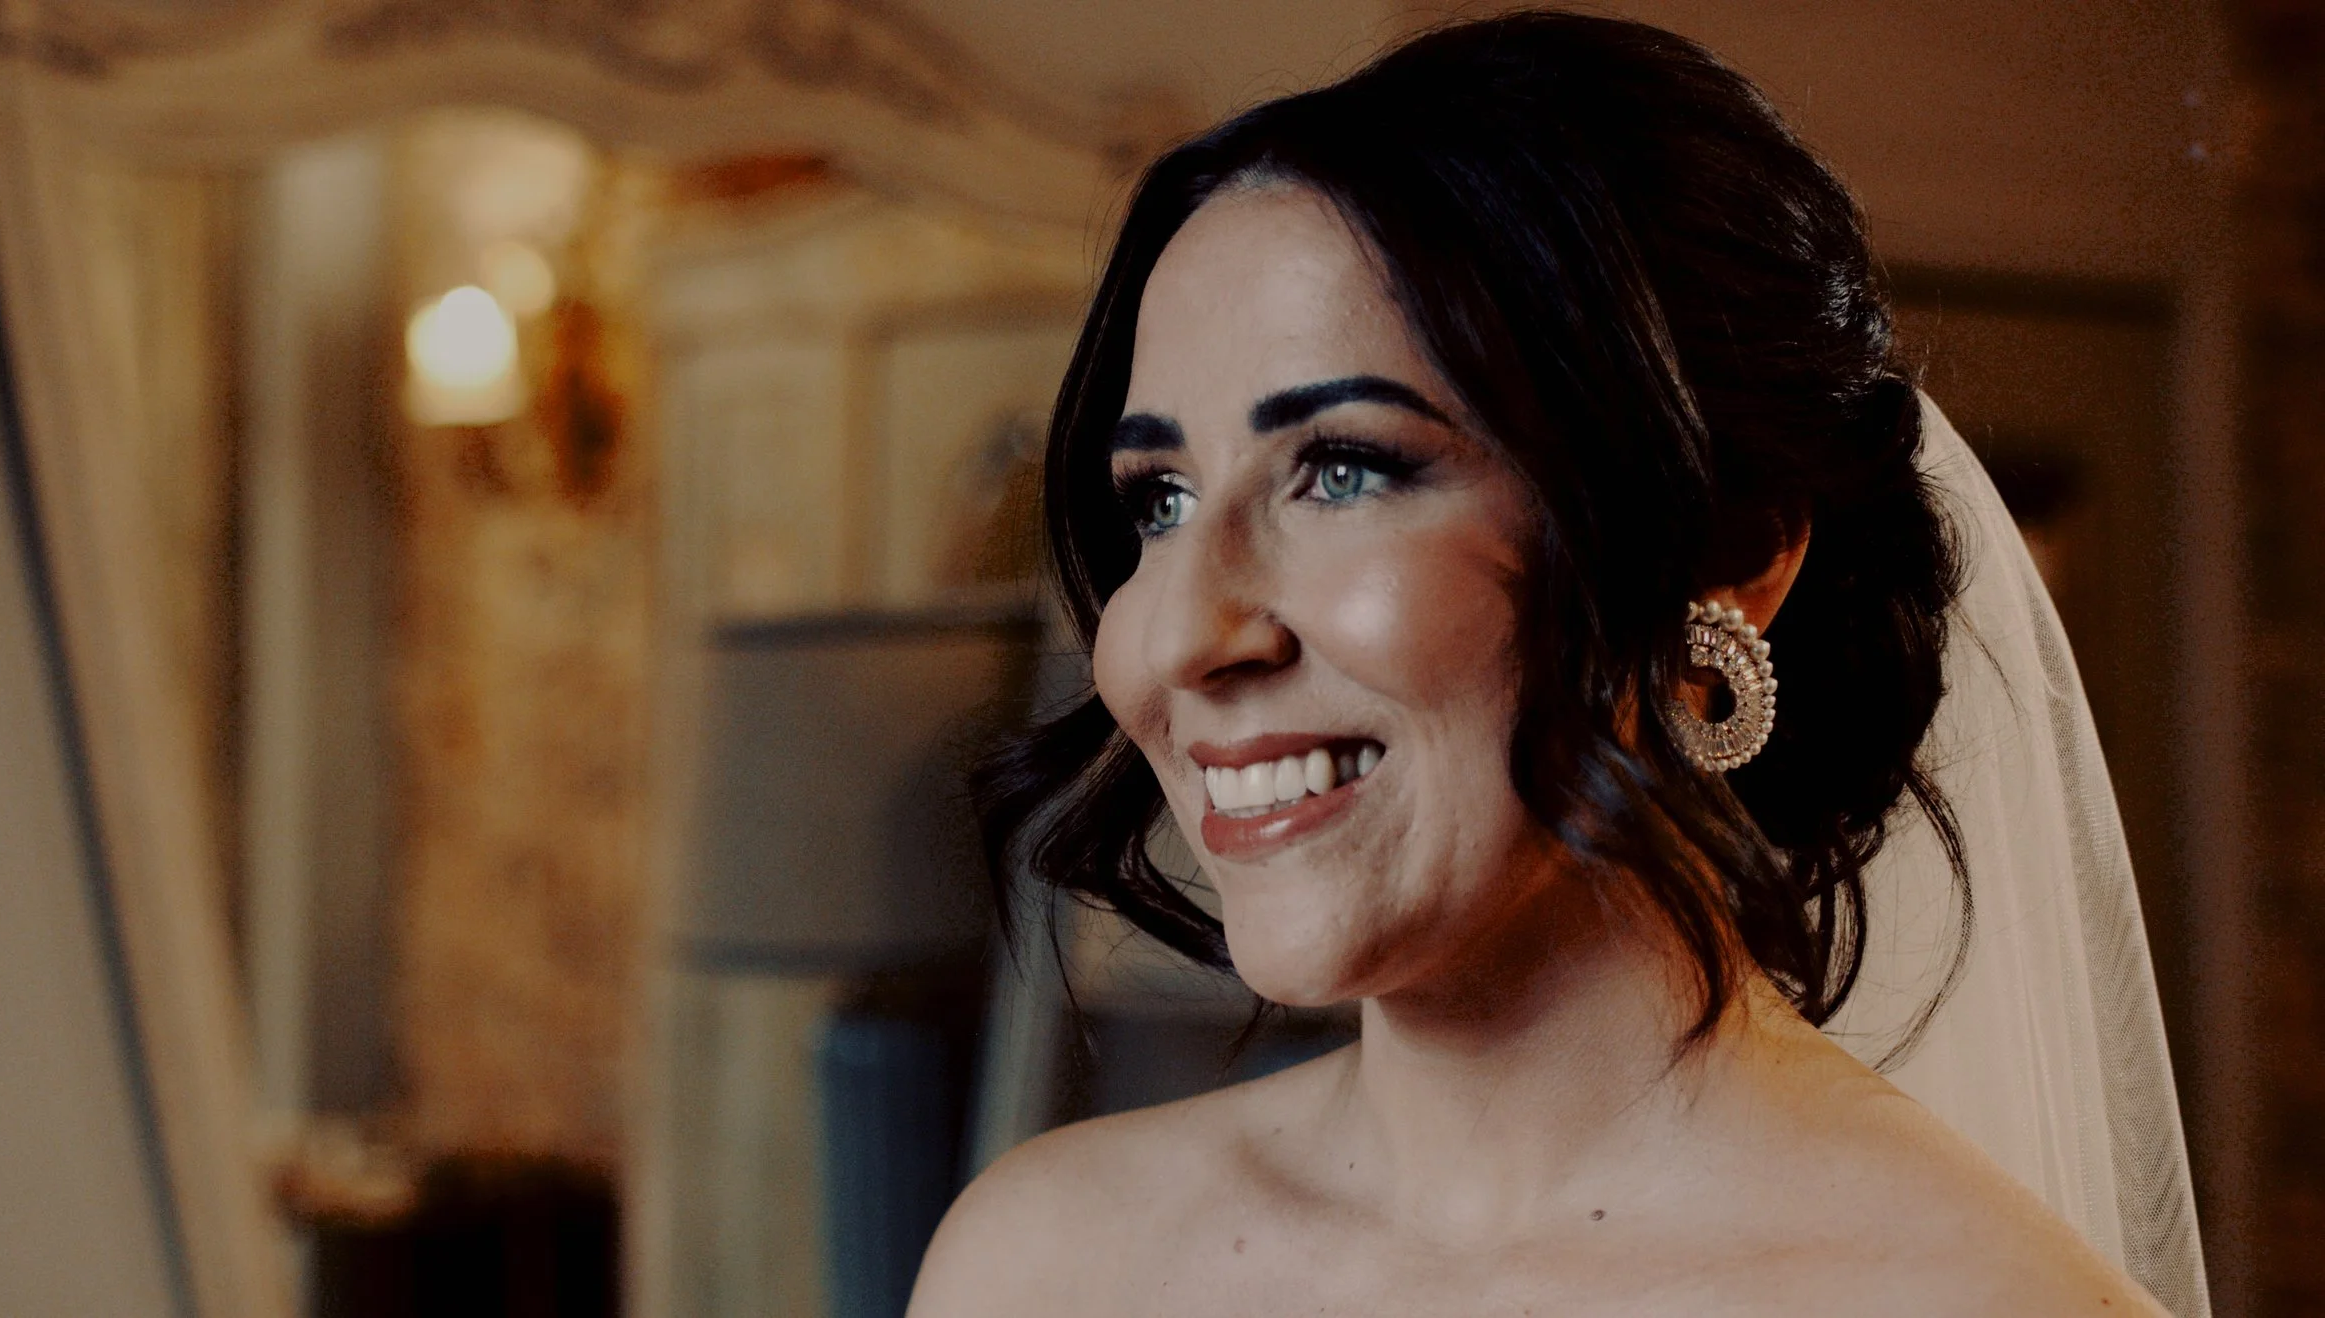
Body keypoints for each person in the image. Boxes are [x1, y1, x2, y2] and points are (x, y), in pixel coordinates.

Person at [911, 12, 2204, 1316]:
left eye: (1344, 470)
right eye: (1160, 501)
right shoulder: (1040, 1263)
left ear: (1729, 543)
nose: (1184, 634)